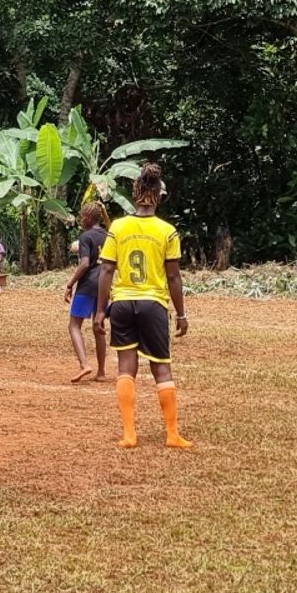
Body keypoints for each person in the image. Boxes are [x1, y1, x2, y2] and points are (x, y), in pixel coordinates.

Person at [94, 163, 193, 449]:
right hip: (153, 304)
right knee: (161, 368)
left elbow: (106, 271)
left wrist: (101, 310)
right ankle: (172, 435)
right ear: (159, 196)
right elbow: (173, 276)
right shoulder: (168, 231)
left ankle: (129, 435)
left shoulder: (118, 227)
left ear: (135, 193)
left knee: (126, 366)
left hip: (122, 303)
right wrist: (182, 313)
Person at [64, 201, 108, 382]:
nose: (81, 220)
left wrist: (70, 284)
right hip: (104, 284)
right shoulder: (107, 235)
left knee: (74, 325)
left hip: (88, 284)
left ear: (88, 218)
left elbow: (84, 264)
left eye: (82, 217)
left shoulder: (86, 236)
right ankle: (102, 372)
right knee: (99, 326)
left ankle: (84, 364)